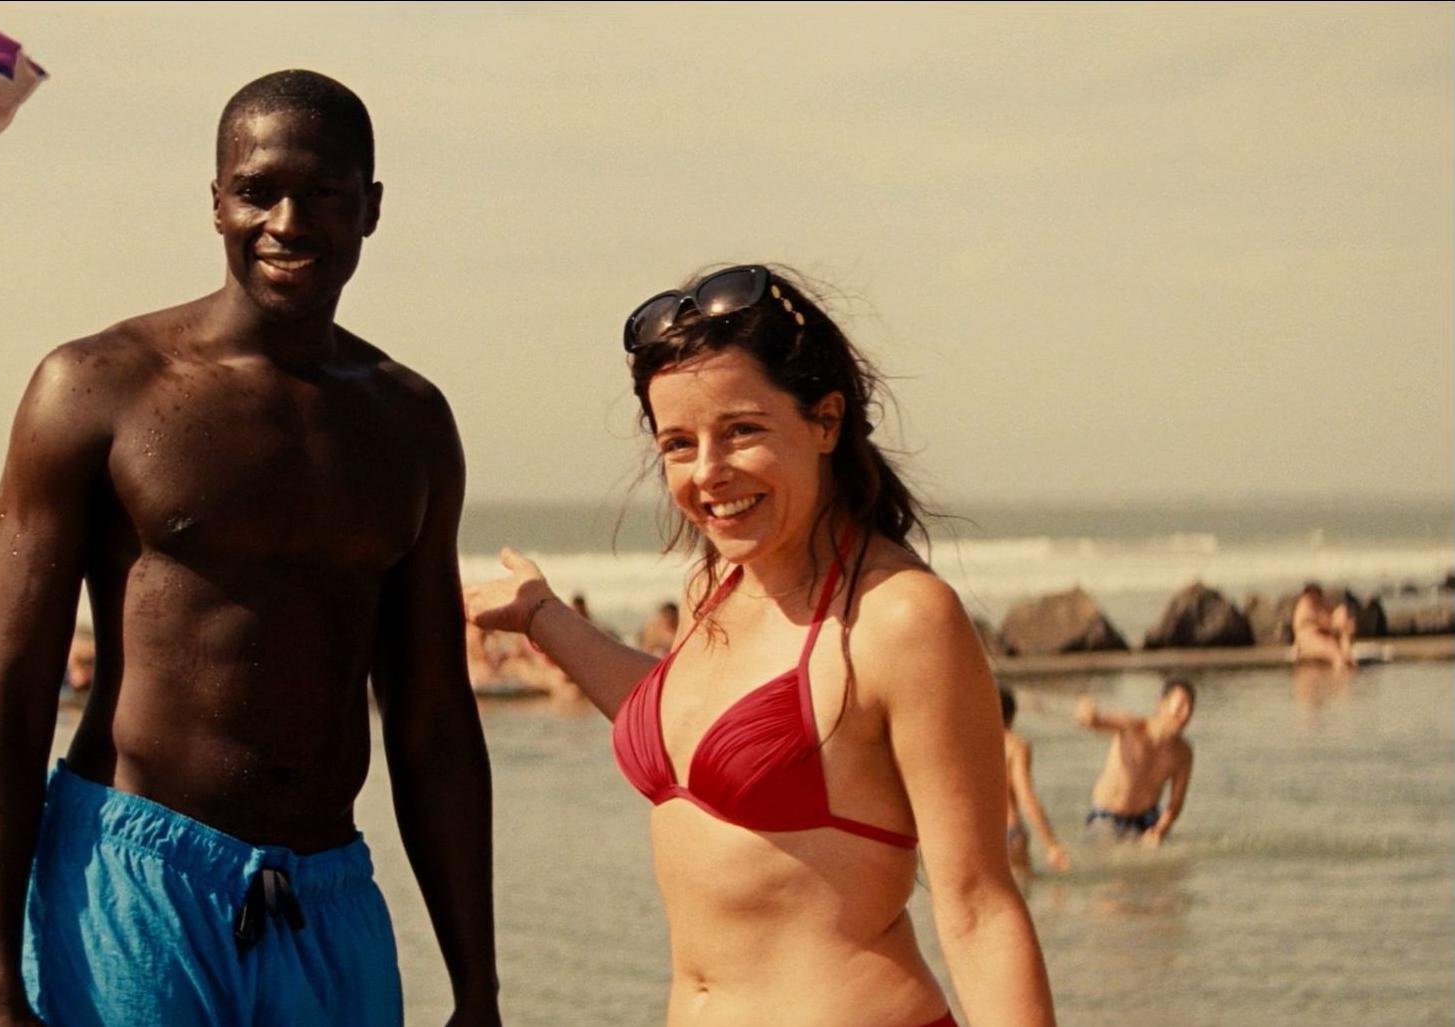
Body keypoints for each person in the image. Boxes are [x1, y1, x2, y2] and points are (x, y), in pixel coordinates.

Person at [0, 71, 498, 1027]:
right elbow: (8, 690)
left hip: (327, 891)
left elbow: (433, 721)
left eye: (323, 192)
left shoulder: (409, 422)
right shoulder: (96, 387)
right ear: (216, 203)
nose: (288, 221)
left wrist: (477, 989)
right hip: (137, 882)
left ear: (370, 207)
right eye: (257, 191)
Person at [466, 265, 1054, 1026]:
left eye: (741, 430)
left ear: (826, 420)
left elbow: (978, 907)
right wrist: (543, 615)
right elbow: (678, 722)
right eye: (679, 444)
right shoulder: (714, 586)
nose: (708, 472)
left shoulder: (899, 618)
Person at [1074, 679, 1195, 847]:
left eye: (1190, 709)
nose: (1186, 714)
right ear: (1161, 704)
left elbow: (1175, 804)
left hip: (1148, 819)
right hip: (1108, 818)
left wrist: (1158, 831)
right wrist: (1086, 707)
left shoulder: (1182, 752)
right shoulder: (1132, 728)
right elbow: (1092, 721)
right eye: (1180, 706)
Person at [999, 688, 1069, 875]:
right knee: (1020, 888)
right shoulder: (1015, 745)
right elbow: (1026, 797)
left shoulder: (966, 745)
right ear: (1011, 716)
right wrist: (1051, 844)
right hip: (1008, 832)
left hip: (972, 834)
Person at [1291, 582, 1358, 670]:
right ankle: (1341, 669)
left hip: (1325, 637)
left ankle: (1348, 668)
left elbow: (1330, 620)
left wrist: (1342, 623)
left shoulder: (1320, 605)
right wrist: (1330, 625)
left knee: (1344, 641)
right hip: (1309, 640)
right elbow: (1312, 625)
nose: (1316, 598)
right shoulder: (1304, 607)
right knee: (1335, 654)